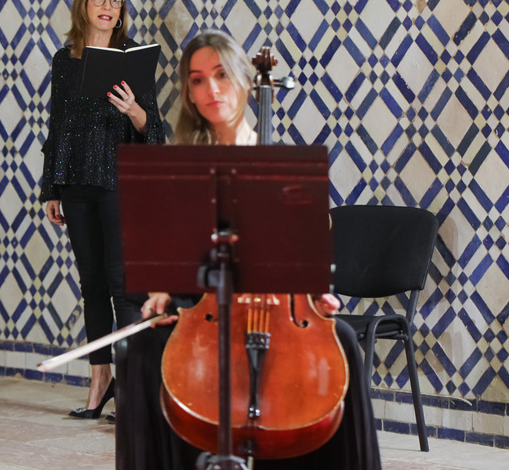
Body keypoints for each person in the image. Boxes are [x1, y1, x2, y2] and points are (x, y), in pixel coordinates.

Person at [115, 29, 381, 469]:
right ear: (188, 93)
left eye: (220, 74)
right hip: (204, 303)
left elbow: (304, 253)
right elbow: (172, 250)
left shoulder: (280, 161)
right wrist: (162, 289)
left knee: (346, 341)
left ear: (243, 79)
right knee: (141, 351)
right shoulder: (180, 164)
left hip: (277, 309)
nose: (211, 89)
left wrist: (316, 289)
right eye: (197, 79)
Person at [40, 0, 165, 419]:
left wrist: (134, 109)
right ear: (84, 4)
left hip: (118, 184)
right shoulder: (65, 59)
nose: (108, 6)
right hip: (75, 185)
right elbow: (57, 129)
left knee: (123, 288)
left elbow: (156, 134)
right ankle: (100, 381)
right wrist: (50, 188)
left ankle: (131, 388)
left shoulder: (134, 57)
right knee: (90, 284)